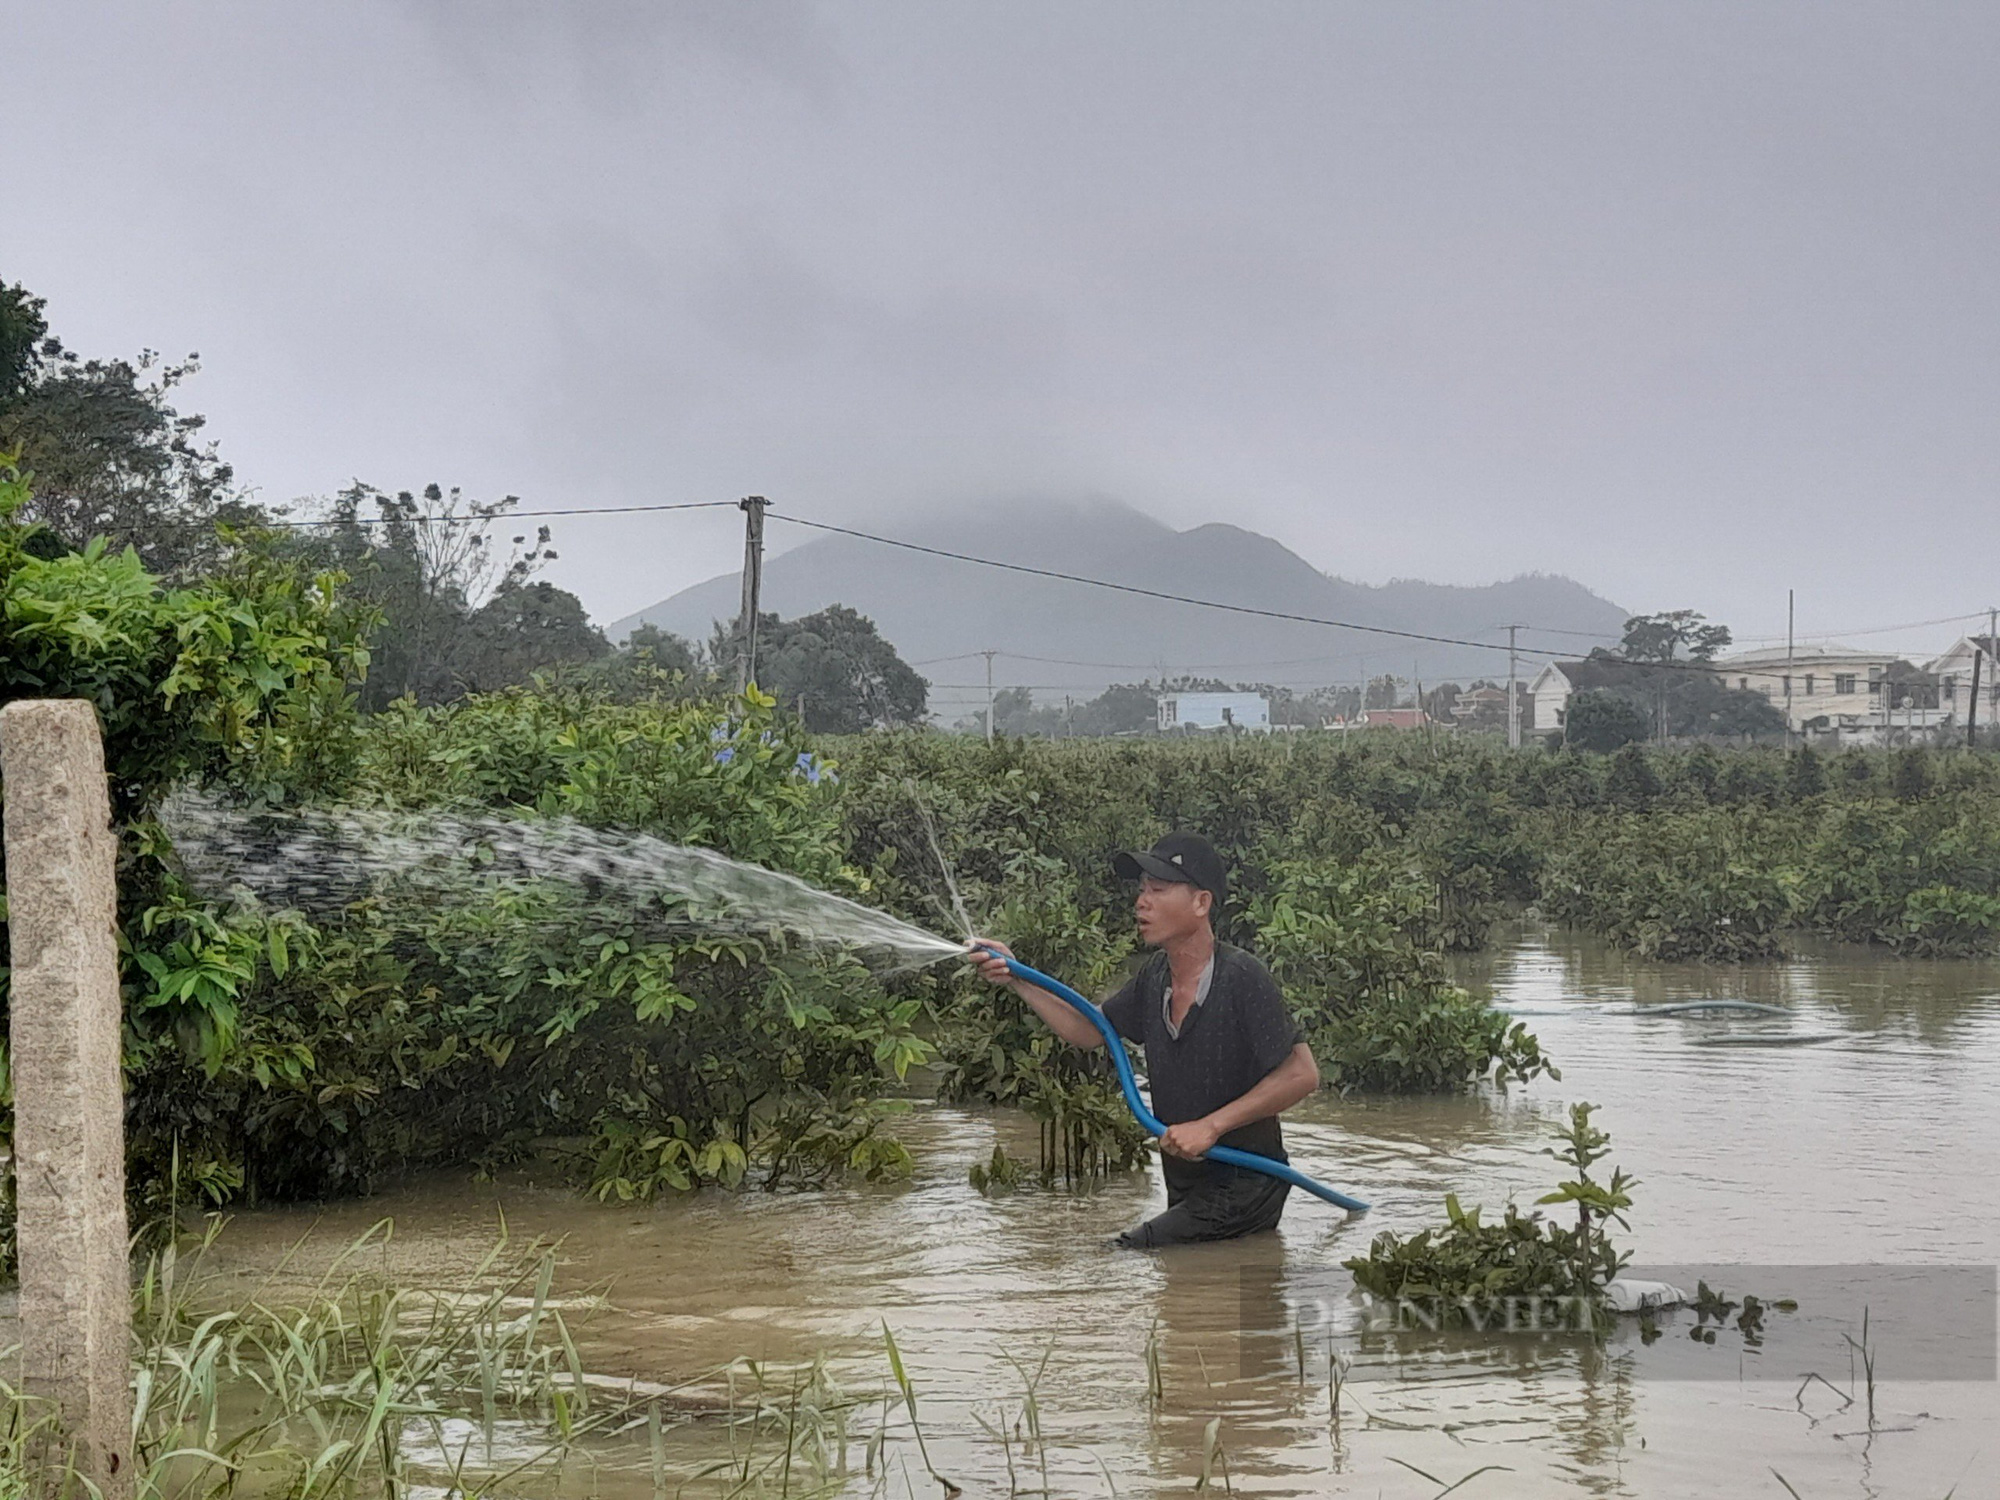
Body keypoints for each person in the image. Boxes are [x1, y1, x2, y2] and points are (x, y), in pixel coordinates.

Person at [970, 832, 1320, 1248]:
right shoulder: (1154, 977)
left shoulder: (1242, 977)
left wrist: (1211, 1127)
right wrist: (1018, 978)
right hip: (1188, 1187)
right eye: (1141, 891)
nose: (1142, 902)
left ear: (1201, 903)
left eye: (1158, 890)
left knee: (1125, 1252)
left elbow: (1302, 1073)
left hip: (1249, 1185)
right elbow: (1089, 1031)